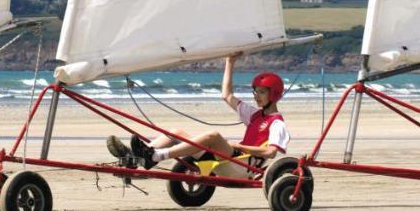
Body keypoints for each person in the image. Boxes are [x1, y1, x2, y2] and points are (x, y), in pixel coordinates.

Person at [105, 54, 289, 172]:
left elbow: (271, 152)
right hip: (229, 159)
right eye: (255, 91)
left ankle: (155, 156)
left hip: (243, 166)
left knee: (214, 136)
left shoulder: (277, 123)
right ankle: (136, 157)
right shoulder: (254, 115)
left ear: (273, 94)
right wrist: (229, 62)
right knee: (175, 132)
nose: (257, 96)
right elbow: (226, 94)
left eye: (262, 92)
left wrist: (239, 147)